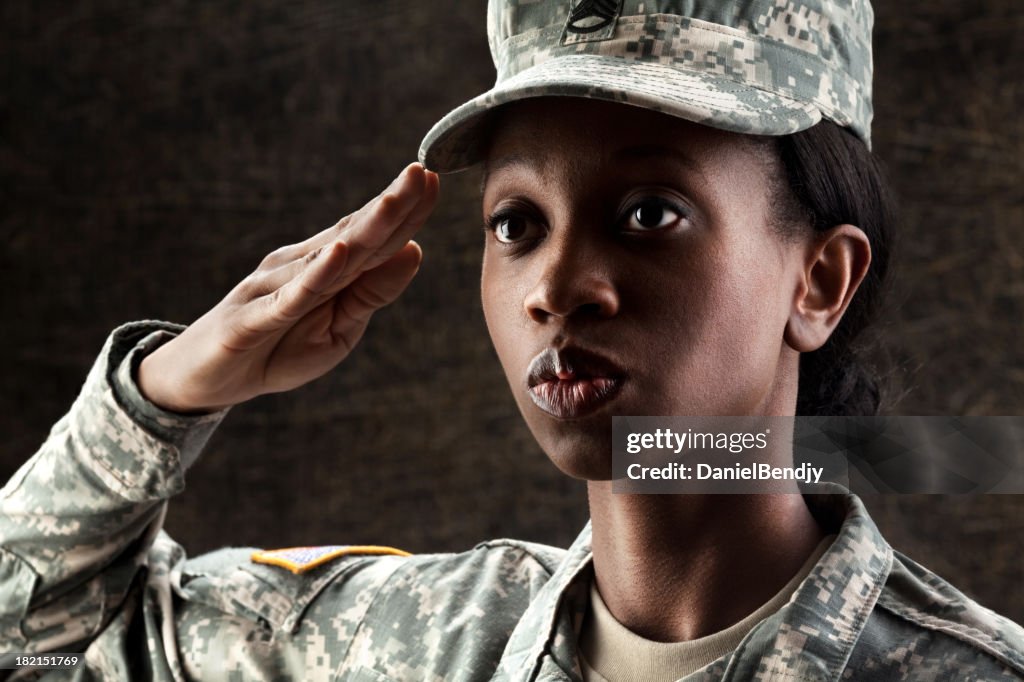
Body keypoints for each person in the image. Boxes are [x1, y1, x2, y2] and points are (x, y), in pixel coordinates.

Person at [2, 0, 1022, 680]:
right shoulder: (399, 647)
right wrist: (163, 395)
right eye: (515, 224)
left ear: (820, 279)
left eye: (649, 214)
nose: (555, 288)